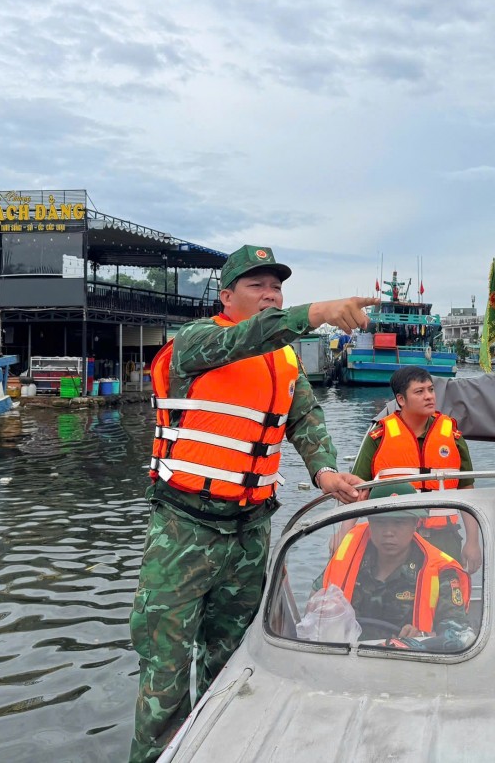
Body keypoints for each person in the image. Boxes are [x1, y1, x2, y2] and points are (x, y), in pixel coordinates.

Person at [129, 244, 378, 763]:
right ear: (226, 295)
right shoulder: (197, 342)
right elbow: (249, 337)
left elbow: (304, 418)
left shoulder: (285, 361)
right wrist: (317, 313)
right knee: (165, 673)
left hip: (249, 534)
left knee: (235, 664)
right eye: (257, 286)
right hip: (183, 530)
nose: (270, 294)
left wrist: (325, 469)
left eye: (277, 287)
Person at [352, 366, 481, 570]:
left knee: (445, 598)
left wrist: (473, 542)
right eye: (419, 392)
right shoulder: (379, 437)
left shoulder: (453, 436)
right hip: (393, 542)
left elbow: (467, 491)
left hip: (444, 539)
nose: (429, 396)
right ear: (401, 400)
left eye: (431, 390)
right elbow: (355, 491)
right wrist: (342, 539)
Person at [319, 483, 474, 649]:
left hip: (410, 664)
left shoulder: (441, 571)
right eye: (381, 522)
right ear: (370, 522)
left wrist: (422, 639)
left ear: (415, 523)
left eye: (399, 522)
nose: (389, 532)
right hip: (345, 659)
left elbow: (460, 635)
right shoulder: (348, 556)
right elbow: (315, 602)